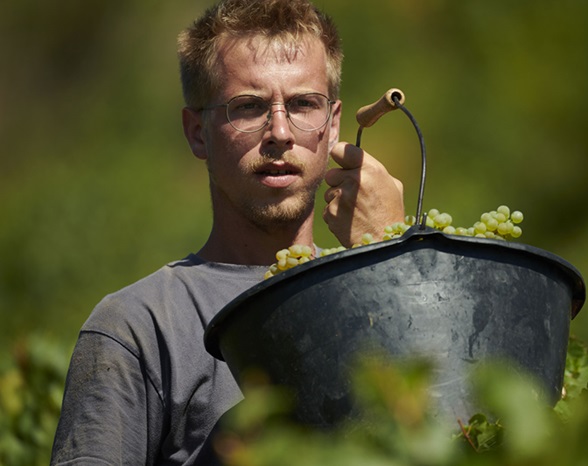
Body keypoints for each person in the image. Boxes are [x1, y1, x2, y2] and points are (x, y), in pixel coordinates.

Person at [50, 0, 404, 464]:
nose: (279, 131)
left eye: (302, 104)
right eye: (250, 107)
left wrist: (395, 260)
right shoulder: (140, 325)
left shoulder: (384, 292)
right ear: (197, 132)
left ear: (333, 123)